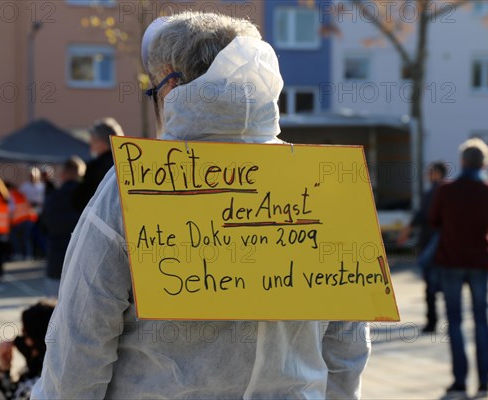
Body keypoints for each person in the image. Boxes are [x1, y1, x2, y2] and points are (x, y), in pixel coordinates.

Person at [32, 12, 370, 399]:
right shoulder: (325, 182)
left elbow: (80, 344)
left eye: (153, 91)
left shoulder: (137, 185)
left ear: (171, 83)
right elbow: (348, 345)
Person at [430, 138, 488, 399]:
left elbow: (434, 220)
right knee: (483, 323)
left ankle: (459, 381)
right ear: (485, 162)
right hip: (480, 263)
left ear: (462, 161)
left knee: (455, 323)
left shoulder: (446, 190)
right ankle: (484, 382)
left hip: (451, 261)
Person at [397, 161, 447, 332]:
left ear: (439, 173)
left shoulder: (435, 192)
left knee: (431, 286)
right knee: (442, 285)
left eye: (430, 172)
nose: (427, 175)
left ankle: (432, 321)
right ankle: (449, 321)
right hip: (442, 245)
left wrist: (407, 230)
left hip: (432, 245)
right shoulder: (444, 191)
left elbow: (422, 215)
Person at [0, 299, 56, 400]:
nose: (22, 339)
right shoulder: (44, 370)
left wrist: (3, 371)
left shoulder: (38, 386)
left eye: (25, 333)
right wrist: (4, 368)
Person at [41, 157, 85, 298]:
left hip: (56, 259)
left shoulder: (53, 198)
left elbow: (44, 224)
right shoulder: (89, 197)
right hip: (81, 262)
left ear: (63, 174)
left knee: (53, 309)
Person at [72, 117, 124, 212]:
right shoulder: (126, 163)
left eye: (92, 140)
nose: (90, 144)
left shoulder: (95, 167)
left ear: (100, 142)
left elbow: (82, 201)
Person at [19, 167, 46, 258]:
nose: (32, 178)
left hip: (40, 213)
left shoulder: (42, 186)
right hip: (28, 215)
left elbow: (43, 200)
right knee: (28, 234)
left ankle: (41, 252)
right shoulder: (25, 187)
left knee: (40, 234)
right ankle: (29, 253)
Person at [7, 182, 33, 261]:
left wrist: (8, 221)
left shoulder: (10, 196)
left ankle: (19, 254)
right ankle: (29, 255)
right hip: (27, 219)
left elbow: (11, 209)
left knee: (16, 239)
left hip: (17, 220)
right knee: (26, 239)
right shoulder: (21, 194)